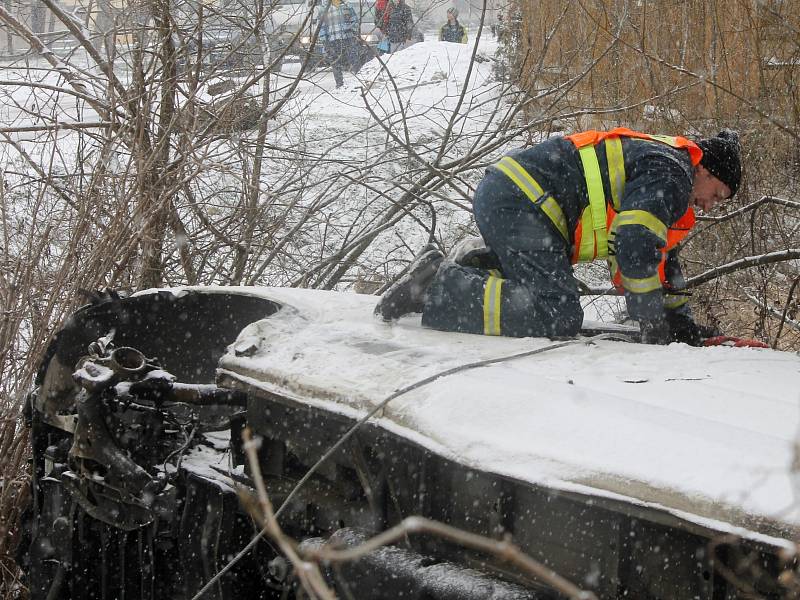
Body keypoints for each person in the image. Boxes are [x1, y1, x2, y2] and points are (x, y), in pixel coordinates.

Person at [375, 128, 742, 346]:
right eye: (718, 194)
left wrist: (680, 322)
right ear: (705, 169)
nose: (711, 205)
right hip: (522, 201)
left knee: (548, 297)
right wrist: (650, 319)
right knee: (558, 314)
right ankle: (436, 288)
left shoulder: (663, 166)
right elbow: (634, 241)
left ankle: (480, 267)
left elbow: (656, 257)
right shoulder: (673, 173)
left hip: (513, 195)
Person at [317, 0, 358, 88]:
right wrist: (324, 40)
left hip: (348, 38)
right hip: (332, 40)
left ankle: (359, 79)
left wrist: (351, 30)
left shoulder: (347, 5)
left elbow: (355, 21)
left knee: (353, 58)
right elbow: (321, 26)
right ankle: (339, 83)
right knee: (335, 62)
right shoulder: (324, 8)